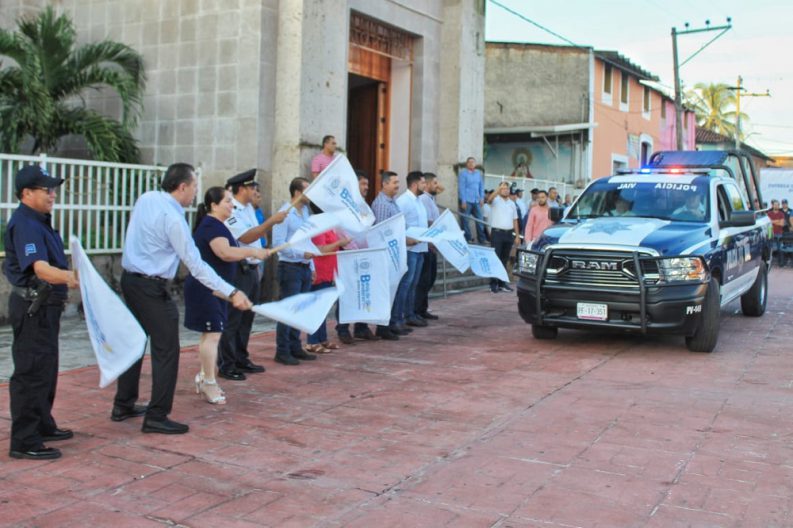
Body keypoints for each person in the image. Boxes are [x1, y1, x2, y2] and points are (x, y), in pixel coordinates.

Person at [114, 163, 252, 435]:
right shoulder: (174, 219)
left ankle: (123, 404)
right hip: (151, 288)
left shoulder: (147, 198)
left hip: (130, 281)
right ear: (182, 187)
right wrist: (232, 292)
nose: (195, 194)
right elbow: (196, 265)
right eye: (194, 188)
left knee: (134, 342)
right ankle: (156, 416)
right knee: (167, 350)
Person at [4, 165, 79, 460]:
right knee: (31, 372)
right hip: (33, 307)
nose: (52, 194)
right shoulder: (26, 224)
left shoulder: (39, 221)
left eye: (53, 189)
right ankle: (24, 441)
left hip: (45, 307)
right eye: (46, 189)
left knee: (46, 368)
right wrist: (71, 277)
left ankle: (42, 424)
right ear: (26, 193)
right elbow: (40, 268)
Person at [184, 187, 271, 405]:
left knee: (212, 334)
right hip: (206, 289)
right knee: (213, 335)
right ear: (214, 205)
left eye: (231, 201)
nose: (232, 205)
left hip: (218, 289)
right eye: (227, 201)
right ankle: (209, 382)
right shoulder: (211, 226)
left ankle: (204, 376)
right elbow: (224, 252)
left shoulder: (218, 225)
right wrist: (252, 251)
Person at [218, 169, 287, 381]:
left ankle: (241, 357)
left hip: (252, 269)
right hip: (239, 269)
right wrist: (272, 221)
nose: (255, 191)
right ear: (242, 189)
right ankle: (227, 364)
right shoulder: (232, 210)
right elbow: (246, 237)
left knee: (247, 318)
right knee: (233, 319)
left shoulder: (248, 208)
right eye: (252, 187)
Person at [272, 177, 318, 365]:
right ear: (297, 192)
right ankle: (282, 350)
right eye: (308, 189)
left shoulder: (306, 212)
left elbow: (308, 240)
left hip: (304, 266)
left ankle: (295, 346)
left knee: (299, 310)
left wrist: (311, 265)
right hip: (290, 267)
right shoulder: (285, 213)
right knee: (288, 310)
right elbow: (278, 244)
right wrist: (301, 254)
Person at [336, 170, 381, 344]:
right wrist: (353, 249)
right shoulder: (344, 207)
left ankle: (361, 327)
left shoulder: (364, 206)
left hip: (365, 256)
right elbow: (340, 229)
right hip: (349, 256)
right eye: (363, 184)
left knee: (364, 292)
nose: (366, 188)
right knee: (347, 294)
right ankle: (343, 328)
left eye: (367, 184)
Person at [305, 230, 351, 354]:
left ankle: (322, 339)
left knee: (323, 309)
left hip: (328, 272)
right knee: (316, 309)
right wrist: (339, 243)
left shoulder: (329, 228)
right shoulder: (319, 230)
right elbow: (320, 250)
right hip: (320, 272)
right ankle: (312, 341)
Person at [371, 171, 403, 340]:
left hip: (394, 253)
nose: (397, 185)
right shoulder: (382, 204)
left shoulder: (393, 201)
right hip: (386, 255)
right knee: (385, 291)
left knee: (392, 290)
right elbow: (382, 232)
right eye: (394, 182)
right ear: (384, 184)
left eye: (398, 182)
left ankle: (389, 324)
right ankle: (382, 327)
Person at [396, 171, 429, 329]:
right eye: (423, 183)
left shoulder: (419, 201)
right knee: (406, 284)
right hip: (409, 249)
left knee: (414, 284)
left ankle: (410, 314)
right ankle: (399, 316)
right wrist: (405, 239)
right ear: (415, 184)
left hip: (420, 247)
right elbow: (397, 224)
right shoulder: (403, 201)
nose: (425, 185)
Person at [415, 172, 441, 320]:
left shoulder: (430, 199)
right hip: (427, 244)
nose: (437, 186)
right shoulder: (424, 199)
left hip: (432, 243)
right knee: (424, 279)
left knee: (429, 278)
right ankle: (417, 309)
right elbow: (428, 222)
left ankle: (422, 308)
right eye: (435, 183)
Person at [487, 182, 521, 293]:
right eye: (503, 188)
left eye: (507, 188)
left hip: (509, 234)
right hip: (497, 233)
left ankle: (502, 283)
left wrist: (517, 236)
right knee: (495, 258)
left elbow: (515, 220)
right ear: (499, 189)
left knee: (504, 259)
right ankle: (493, 283)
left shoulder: (512, 203)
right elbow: (489, 200)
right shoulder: (495, 200)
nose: (505, 190)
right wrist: (498, 190)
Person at [458, 157, 487, 243]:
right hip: (467, 200)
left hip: (477, 200)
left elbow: (481, 187)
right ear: (467, 164)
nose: (471, 164)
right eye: (469, 162)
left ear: (475, 164)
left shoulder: (478, 174)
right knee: (465, 220)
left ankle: (482, 239)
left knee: (480, 220)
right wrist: (463, 200)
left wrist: (482, 198)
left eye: (473, 162)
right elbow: (461, 188)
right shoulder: (463, 174)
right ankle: (468, 238)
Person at [767, 199, 786, 265]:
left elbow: (782, 224)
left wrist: (772, 221)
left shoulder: (781, 214)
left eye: (777, 205)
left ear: (779, 206)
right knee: (769, 248)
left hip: (779, 233)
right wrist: (778, 221)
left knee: (780, 248)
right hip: (770, 233)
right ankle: (769, 263)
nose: (776, 206)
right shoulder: (769, 213)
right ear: (772, 206)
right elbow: (768, 223)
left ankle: (781, 263)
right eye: (775, 205)